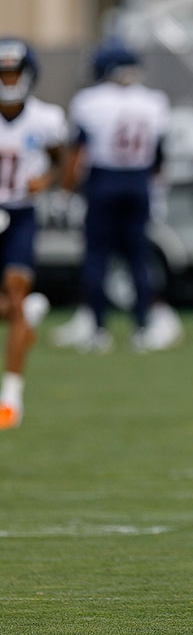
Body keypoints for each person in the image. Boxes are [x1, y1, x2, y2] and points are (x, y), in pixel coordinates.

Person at [60, 41, 175, 352]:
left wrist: (67, 187)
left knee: (97, 256)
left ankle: (97, 329)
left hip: (104, 179)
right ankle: (142, 326)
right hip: (138, 181)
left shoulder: (90, 101)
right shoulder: (154, 101)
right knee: (138, 257)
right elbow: (159, 155)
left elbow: (77, 150)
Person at [0, 38, 60, 429]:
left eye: (13, 71)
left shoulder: (46, 118)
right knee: (12, 308)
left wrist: (47, 180)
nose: (9, 79)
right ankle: (27, 317)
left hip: (20, 215)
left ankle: (11, 395)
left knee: (16, 289)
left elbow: (59, 159)